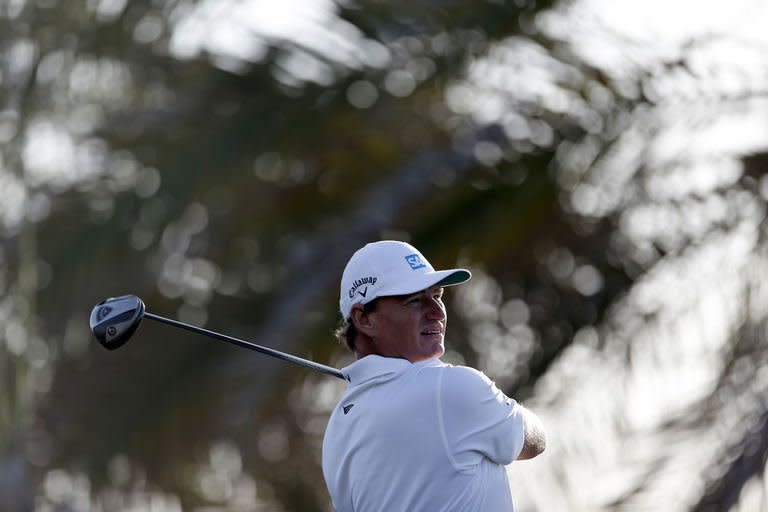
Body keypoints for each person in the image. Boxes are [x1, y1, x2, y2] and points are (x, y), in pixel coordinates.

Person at [322, 240, 546, 512]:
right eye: (414, 300)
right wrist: (510, 412)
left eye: (437, 296)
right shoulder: (452, 388)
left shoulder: (336, 430)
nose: (437, 312)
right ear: (364, 319)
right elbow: (534, 442)